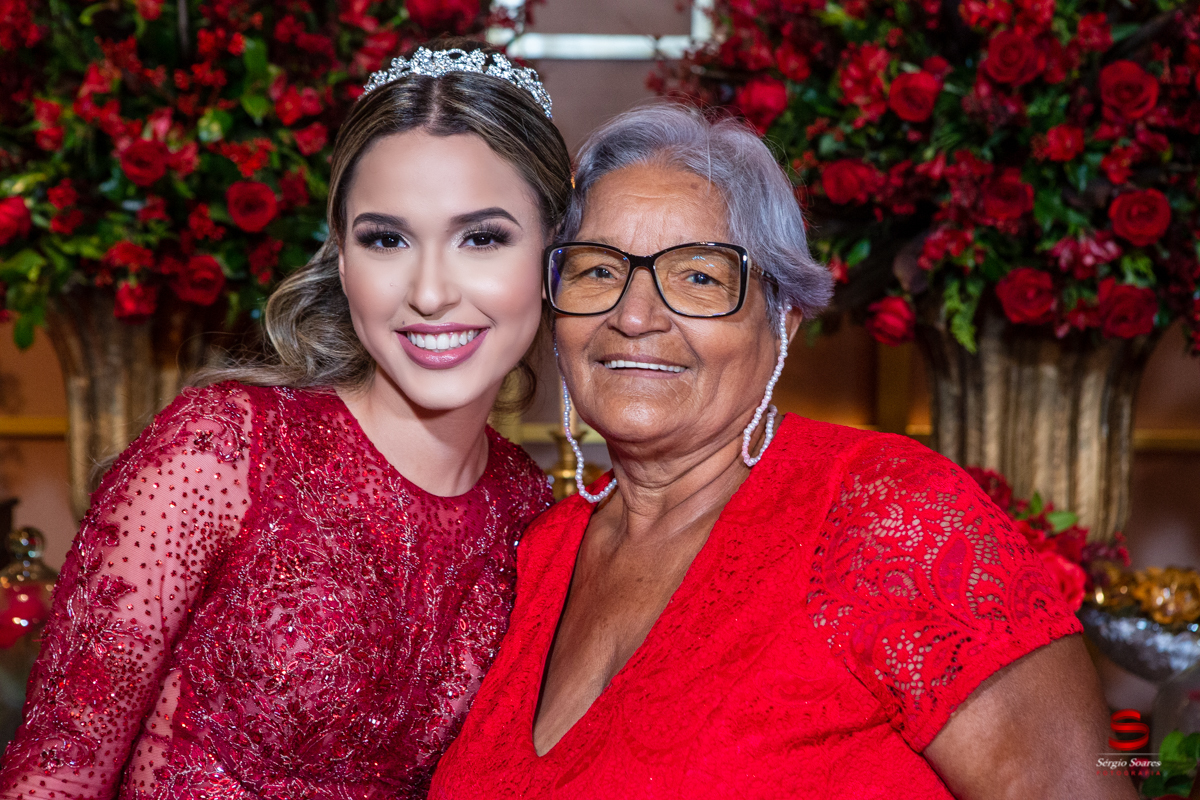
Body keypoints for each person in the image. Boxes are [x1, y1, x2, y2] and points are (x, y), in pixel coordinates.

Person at [428, 104, 1136, 799]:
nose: (634, 316)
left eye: (698, 277)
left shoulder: (886, 517)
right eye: (598, 271)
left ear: (783, 320)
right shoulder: (539, 551)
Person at [0, 40, 571, 800]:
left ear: (554, 256)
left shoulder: (531, 512)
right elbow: (55, 774)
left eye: (482, 238)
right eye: (387, 239)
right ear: (343, 260)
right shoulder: (223, 450)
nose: (430, 292)